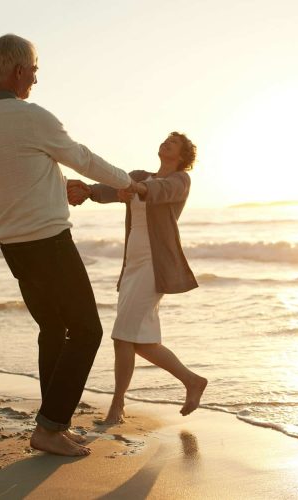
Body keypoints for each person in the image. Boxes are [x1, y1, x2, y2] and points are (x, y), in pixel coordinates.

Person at [0, 34, 134, 456]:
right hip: (48, 242)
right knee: (87, 331)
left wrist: (62, 188)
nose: (36, 80)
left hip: (15, 245)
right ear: (20, 70)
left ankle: (52, 425)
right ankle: (49, 427)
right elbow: (84, 157)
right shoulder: (31, 116)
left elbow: (19, 179)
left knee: (54, 330)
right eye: (35, 70)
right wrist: (129, 184)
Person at [72, 132, 208, 424]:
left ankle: (117, 407)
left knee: (123, 336)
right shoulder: (137, 176)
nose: (166, 143)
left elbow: (157, 191)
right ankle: (191, 380)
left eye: (173, 143)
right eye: (165, 139)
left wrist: (131, 188)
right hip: (132, 265)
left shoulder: (180, 181)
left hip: (153, 265)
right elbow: (109, 189)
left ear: (183, 156)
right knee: (133, 340)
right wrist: (86, 191)